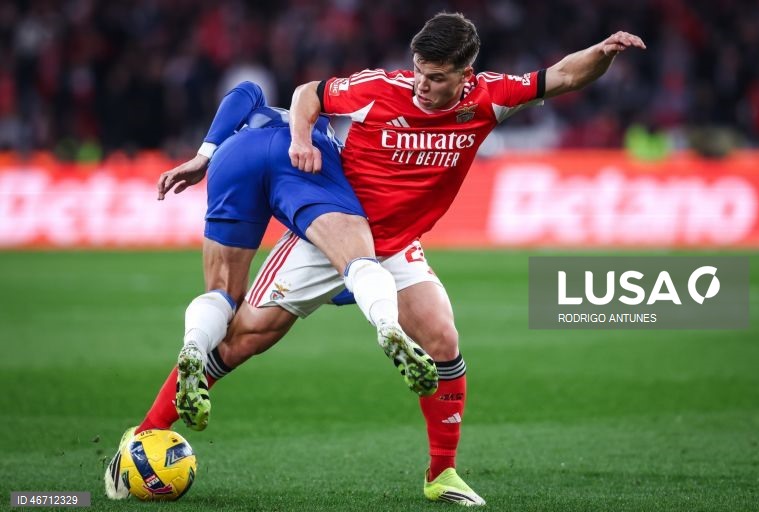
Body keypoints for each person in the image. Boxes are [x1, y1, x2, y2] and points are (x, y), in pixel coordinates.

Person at [108, 13, 645, 506]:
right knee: (242, 338)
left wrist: (605, 50)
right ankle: (146, 430)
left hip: (397, 246)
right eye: (418, 72)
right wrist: (299, 139)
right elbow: (306, 94)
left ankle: (442, 475)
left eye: (435, 77)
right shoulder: (377, 89)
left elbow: (564, 76)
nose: (421, 84)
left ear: (465, 73)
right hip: (328, 234)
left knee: (442, 339)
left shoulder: (489, 99)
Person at [103, 81, 438, 499]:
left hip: (233, 156)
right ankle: (388, 326)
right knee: (359, 262)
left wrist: (202, 156)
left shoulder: (263, 109)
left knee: (223, 293)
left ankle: (192, 346)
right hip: (302, 164)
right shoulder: (332, 132)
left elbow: (244, 90)